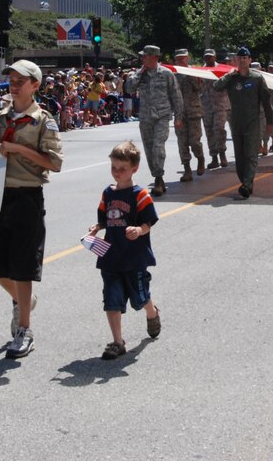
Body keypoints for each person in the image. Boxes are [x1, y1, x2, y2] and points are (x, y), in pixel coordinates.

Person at [0, 59, 63, 360]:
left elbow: (54, 163)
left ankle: (24, 331)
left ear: (35, 86)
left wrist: (19, 149)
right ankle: (23, 301)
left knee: (23, 266)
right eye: (11, 80)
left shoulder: (43, 120)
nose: (14, 85)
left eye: (21, 80)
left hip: (27, 197)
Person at [86, 140, 162, 360]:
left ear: (134, 169)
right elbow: (103, 219)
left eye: (122, 169)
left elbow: (149, 222)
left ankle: (151, 311)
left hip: (134, 257)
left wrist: (139, 230)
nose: (117, 173)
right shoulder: (107, 194)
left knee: (139, 297)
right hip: (110, 255)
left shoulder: (140, 195)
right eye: (114, 168)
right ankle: (117, 342)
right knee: (111, 297)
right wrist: (96, 227)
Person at [213, 46, 273, 199]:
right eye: (239, 58)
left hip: (252, 122)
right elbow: (216, 87)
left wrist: (270, 122)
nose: (242, 61)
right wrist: (228, 75)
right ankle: (246, 182)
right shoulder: (232, 78)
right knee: (239, 157)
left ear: (249, 60)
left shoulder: (257, 78)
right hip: (236, 122)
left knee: (251, 154)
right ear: (236, 61)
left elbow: (266, 102)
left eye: (245, 58)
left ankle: (246, 184)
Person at [125, 46, 183, 197]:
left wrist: (179, 117)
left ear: (154, 57)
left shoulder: (166, 74)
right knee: (149, 149)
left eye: (145, 56)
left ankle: (158, 178)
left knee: (158, 146)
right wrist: (139, 73)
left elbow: (176, 95)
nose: (142, 58)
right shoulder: (139, 74)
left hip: (162, 116)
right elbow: (129, 88)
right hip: (145, 117)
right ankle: (158, 177)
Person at [172, 49, 206, 181]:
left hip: (194, 112)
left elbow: (200, 88)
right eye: (178, 59)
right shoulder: (173, 74)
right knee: (182, 143)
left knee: (195, 141)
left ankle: (200, 158)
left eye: (183, 58)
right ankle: (187, 169)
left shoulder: (194, 72)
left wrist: (191, 75)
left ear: (188, 58)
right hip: (180, 113)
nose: (180, 61)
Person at [200, 49, 230, 168]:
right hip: (206, 105)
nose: (209, 59)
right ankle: (214, 157)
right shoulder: (199, 71)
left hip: (220, 104)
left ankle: (222, 154)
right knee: (209, 131)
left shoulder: (222, 70)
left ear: (215, 57)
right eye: (207, 57)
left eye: (211, 57)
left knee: (219, 129)